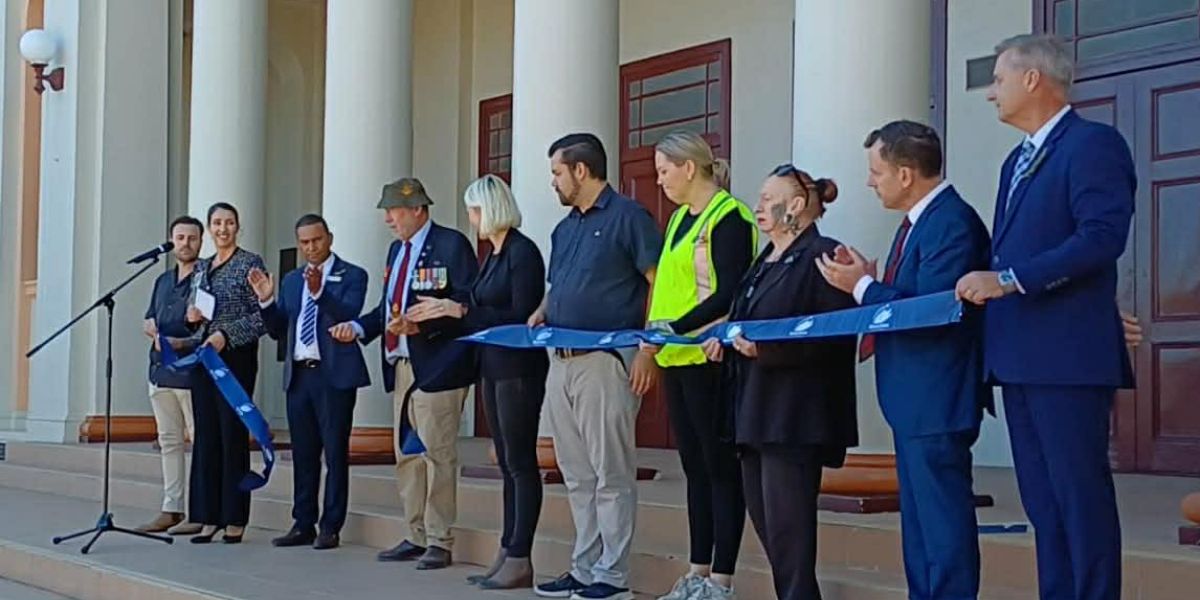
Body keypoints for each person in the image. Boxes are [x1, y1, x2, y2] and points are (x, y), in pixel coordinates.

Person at [955, 34, 1135, 600]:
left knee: (1078, 497)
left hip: (1068, 358)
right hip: (1018, 358)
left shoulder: (1093, 145)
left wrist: (1009, 281)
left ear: (1033, 79)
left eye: (1000, 80)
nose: (991, 94)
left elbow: (1101, 237)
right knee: (1042, 503)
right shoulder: (1016, 160)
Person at [817, 120, 991, 599]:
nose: (871, 182)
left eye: (876, 171)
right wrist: (871, 282)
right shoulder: (918, 222)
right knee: (919, 527)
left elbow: (928, 311)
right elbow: (910, 295)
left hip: (937, 396)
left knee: (941, 524)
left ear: (907, 173)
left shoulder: (951, 222)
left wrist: (860, 286)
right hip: (914, 398)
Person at [702, 164, 856, 600]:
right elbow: (746, 321)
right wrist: (727, 341)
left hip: (794, 414)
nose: (759, 207)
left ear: (798, 205)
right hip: (753, 408)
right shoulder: (763, 260)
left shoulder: (824, 255)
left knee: (790, 527)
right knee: (767, 521)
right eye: (760, 197)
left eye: (770, 199)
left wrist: (765, 350)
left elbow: (830, 336)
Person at [529, 133, 662, 600]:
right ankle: (584, 568)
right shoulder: (564, 228)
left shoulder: (630, 217)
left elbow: (657, 283)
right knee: (577, 473)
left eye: (556, 173)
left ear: (580, 171)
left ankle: (613, 574)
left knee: (611, 472)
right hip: (561, 361)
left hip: (606, 362)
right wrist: (544, 309)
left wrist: (649, 349)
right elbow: (560, 282)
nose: (554, 182)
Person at [406, 174, 548, 590]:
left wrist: (458, 310)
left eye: (474, 209)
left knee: (521, 464)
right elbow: (474, 306)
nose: (470, 218)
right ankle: (507, 549)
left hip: (519, 369)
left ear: (491, 208)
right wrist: (442, 312)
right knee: (506, 463)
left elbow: (519, 314)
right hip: (492, 366)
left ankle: (521, 554)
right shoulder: (492, 255)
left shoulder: (522, 252)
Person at [331, 177, 478, 570]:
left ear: (418, 209)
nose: (388, 220)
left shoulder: (451, 245)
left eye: (393, 211)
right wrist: (360, 329)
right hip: (401, 366)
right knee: (408, 456)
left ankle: (439, 539)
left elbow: (467, 302)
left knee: (437, 454)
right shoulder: (397, 250)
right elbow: (388, 308)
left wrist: (424, 327)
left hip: (440, 366)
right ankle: (414, 533)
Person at [643, 131, 755, 600]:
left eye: (664, 170)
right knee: (694, 467)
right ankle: (697, 569)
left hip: (710, 358)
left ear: (690, 168)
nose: (659, 180)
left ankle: (722, 580)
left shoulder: (729, 216)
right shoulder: (676, 222)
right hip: (676, 358)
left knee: (719, 467)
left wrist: (678, 327)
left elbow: (731, 291)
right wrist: (656, 339)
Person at [249, 214, 370, 551]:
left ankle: (330, 526)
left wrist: (320, 293)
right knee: (303, 454)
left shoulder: (352, 274)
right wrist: (266, 301)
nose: (311, 248)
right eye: (304, 242)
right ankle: (303, 522)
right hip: (300, 375)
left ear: (329, 238)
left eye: (316, 240)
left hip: (333, 376)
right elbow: (278, 330)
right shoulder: (290, 280)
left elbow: (348, 312)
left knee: (334, 452)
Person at [184, 202, 268, 544]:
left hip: (234, 359)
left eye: (229, 223)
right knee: (206, 436)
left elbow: (260, 316)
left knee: (232, 436)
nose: (223, 229)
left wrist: (226, 335)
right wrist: (192, 322)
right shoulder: (202, 267)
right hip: (204, 360)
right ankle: (208, 515)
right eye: (217, 223)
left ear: (238, 227)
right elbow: (198, 312)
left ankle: (234, 516)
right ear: (209, 228)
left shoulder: (250, 263)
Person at [135, 216, 206, 535]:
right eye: (180, 238)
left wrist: (185, 337)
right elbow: (152, 315)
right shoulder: (163, 280)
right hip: (160, 369)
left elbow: (207, 325)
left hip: (192, 370)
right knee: (168, 441)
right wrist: (149, 326)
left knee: (199, 439)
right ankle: (171, 507)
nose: (186, 243)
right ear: (171, 241)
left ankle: (201, 510)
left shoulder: (206, 277)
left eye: (192, 238)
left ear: (200, 241)